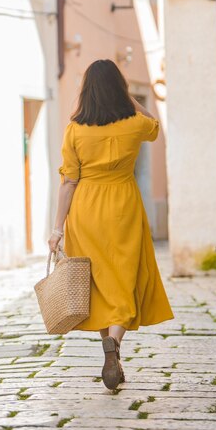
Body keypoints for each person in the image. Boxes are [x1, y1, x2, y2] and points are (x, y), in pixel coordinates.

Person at [48, 59, 174, 391]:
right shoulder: (133, 124)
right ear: (119, 89)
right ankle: (115, 343)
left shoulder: (75, 130)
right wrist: (130, 97)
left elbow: (68, 182)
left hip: (86, 210)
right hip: (124, 206)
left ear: (86, 90)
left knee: (99, 283)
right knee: (127, 277)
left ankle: (110, 347)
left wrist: (57, 229)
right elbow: (155, 126)